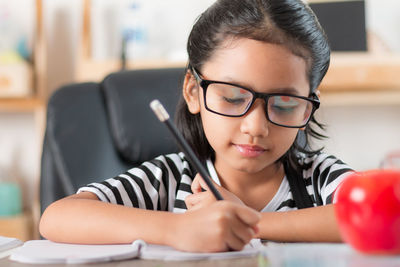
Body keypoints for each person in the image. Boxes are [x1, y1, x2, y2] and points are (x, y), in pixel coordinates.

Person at [39, 0, 353, 253]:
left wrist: (252, 221)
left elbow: (387, 217)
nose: (256, 127)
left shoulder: (317, 178)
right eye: (232, 98)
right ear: (193, 92)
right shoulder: (170, 179)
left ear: (309, 105)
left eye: (285, 104)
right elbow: (57, 218)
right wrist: (176, 229)